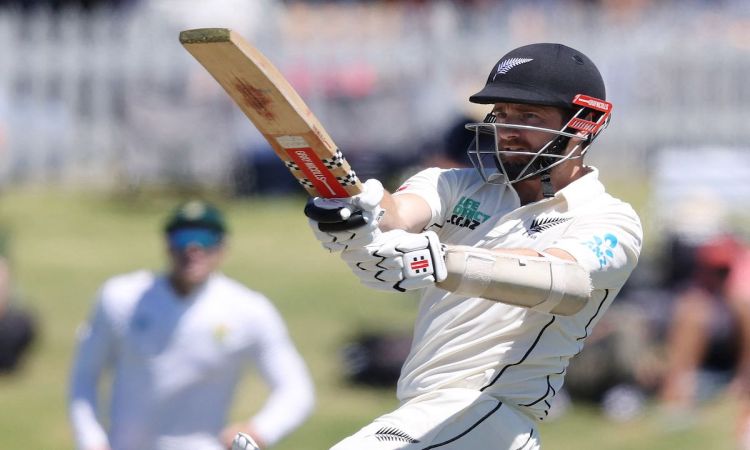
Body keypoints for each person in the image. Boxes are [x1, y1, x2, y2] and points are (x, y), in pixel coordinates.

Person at [301, 43, 643, 449]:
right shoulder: (456, 184)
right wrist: (357, 211)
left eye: (530, 115)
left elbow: (562, 280)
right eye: (502, 113)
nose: (508, 129)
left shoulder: (609, 219)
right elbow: (399, 213)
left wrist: (442, 262)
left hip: (490, 411)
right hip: (430, 409)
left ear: (584, 122)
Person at [68, 200, 314, 450]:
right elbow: (85, 375)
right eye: (183, 237)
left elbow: (296, 390)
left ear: (223, 248)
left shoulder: (249, 310)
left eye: (206, 239)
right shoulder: (121, 298)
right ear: (166, 244)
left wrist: (260, 430)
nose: (193, 248)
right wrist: (90, 438)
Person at [656, 234, 750, 443]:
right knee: (693, 313)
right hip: (704, 372)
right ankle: (678, 398)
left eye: (723, 270)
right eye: (714, 269)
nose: (719, 276)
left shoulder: (740, 295)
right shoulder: (695, 298)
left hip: (728, 368)